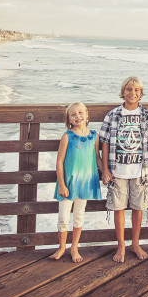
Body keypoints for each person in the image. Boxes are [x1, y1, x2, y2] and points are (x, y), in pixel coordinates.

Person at [100, 76, 148, 263]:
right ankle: (121, 246)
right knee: (118, 208)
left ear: (141, 93)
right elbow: (103, 142)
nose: (132, 93)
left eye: (136, 90)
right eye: (129, 89)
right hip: (117, 171)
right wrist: (104, 169)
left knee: (138, 207)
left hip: (140, 171)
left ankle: (135, 244)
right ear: (123, 92)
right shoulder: (112, 115)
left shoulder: (147, 115)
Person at [50, 101, 102, 262]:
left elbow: (97, 158)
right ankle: (61, 247)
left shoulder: (94, 136)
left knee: (79, 216)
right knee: (63, 218)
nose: (78, 116)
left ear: (87, 115)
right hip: (68, 184)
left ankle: (74, 248)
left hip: (85, 183)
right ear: (69, 120)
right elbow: (59, 162)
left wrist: (106, 172)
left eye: (80, 113)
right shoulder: (67, 136)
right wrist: (62, 184)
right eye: (73, 115)